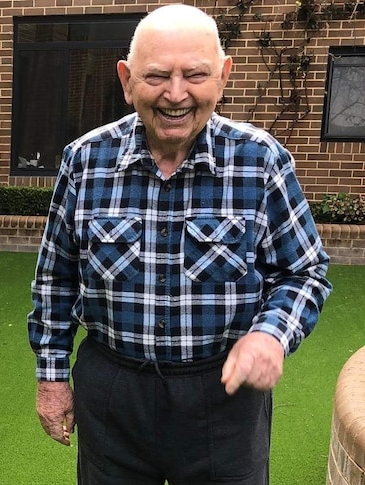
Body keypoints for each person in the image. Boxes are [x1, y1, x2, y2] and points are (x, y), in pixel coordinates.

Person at [27, 4, 332, 484]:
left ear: (223, 77)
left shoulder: (261, 161)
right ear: (127, 81)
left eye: (195, 74)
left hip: (223, 398)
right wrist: (51, 377)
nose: (176, 94)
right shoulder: (85, 162)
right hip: (113, 393)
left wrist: (271, 333)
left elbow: (304, 272)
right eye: (156, 76)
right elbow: (55, 278)